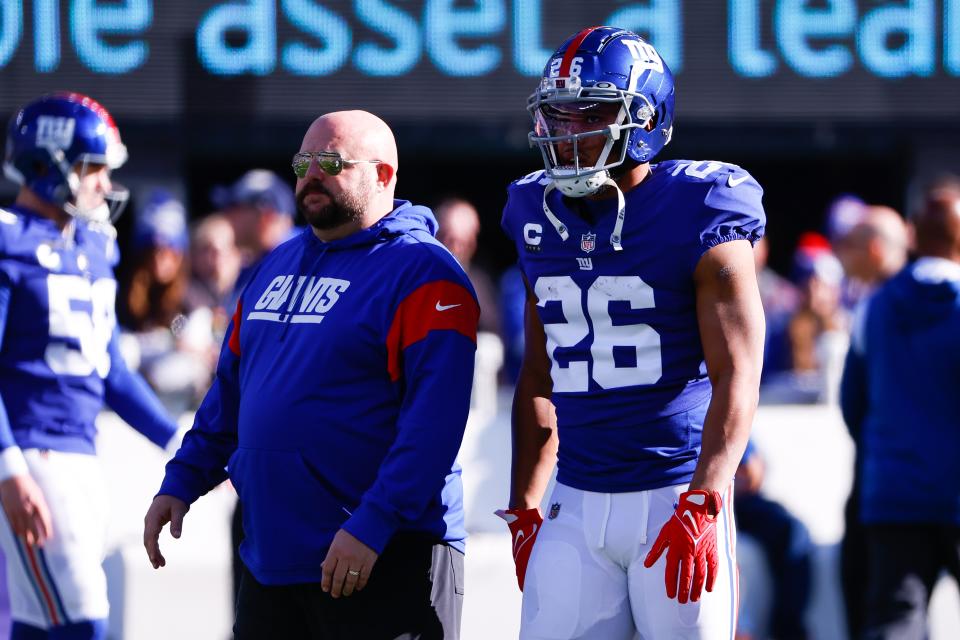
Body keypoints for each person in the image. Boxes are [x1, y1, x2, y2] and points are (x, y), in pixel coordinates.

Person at [143, 110, 479, 639]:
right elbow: (231, 391)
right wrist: (183, 479)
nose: (311, 174)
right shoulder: (276, 263)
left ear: (384, 174)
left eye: (330, 162)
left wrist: (372, 525)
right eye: (304, 162)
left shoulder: (425, 271)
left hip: (382, 553)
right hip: (273, 560)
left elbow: (433, 427)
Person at [497, 27, 766, 639]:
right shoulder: (530, 211)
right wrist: (524, 505)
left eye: (587, 116)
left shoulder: (702, 205)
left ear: (645, 119)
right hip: (575, 494)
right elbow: (539, 376)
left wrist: (705, 497)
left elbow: (738, 372)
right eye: (557, 118)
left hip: (674, 496)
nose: (566, 136)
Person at [0, 93, 179, 639]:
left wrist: (178, 442)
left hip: (82, 455)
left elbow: (111, 374)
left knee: (40, 625)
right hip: (34, 453)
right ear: (46, 163)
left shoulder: (95, 246)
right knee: (86, 622)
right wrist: (9, 467)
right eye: (91, 167)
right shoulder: (8, 238)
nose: (104, 182)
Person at [840, 184, 960, 640]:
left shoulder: (874, 307)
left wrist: (886, 458)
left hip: (892, 495)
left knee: (895, 622)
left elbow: (853, 402)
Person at [831, 204, 908, 639]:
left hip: (884, 480)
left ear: (875, 249)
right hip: (947, 483)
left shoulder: (874, 308)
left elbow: (852, 402)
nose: (842, 254)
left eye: (850, 245)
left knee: (885, 607)